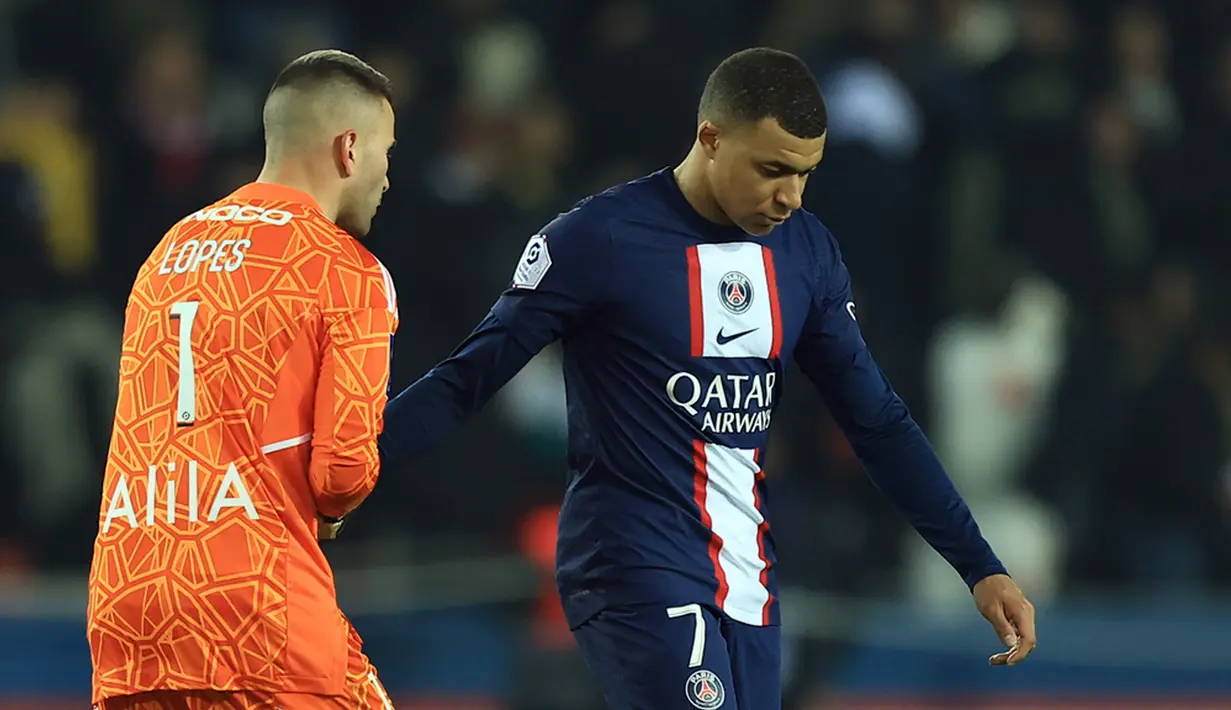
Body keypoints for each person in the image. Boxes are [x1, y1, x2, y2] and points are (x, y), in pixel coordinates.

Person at [379, 47, 1036, 709]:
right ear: (710, 138)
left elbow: (877, 421)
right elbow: (465, 380)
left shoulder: (805, 252)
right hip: (632, 566)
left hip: (746, 578)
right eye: (772, 169)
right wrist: (338, 474)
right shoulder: (596, 239)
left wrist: (977, 565)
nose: (789, 197)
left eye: (805, 174)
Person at [87, 50, 400, 710]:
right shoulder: (343, 268)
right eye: (385, 153)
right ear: (349, 148)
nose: (386, 178)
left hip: (128, 611)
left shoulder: (166, 251)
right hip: (256, 610)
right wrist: (337, 502)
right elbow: (340, 472)